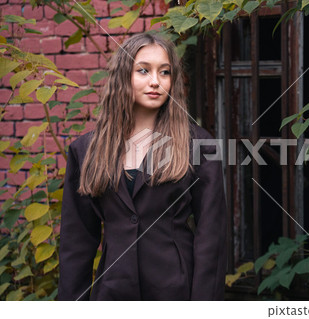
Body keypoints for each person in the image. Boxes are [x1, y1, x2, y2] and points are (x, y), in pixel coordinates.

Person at [58, 33, 227, 301]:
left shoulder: (199, 144)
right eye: (143, 70)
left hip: (176, 294)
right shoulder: (85, 150)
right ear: (123, 76)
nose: (155, 82)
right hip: (112, 294)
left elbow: (211, 238)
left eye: (165, 72)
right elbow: (76, 242)